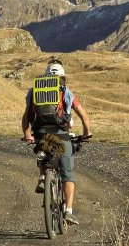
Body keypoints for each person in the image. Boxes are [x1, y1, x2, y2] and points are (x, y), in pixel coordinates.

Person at [22, 58, 91, 225]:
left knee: (43, 154)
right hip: (61, 134)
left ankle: (42, 178)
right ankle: (68, 211)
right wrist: (87, 132)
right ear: (63, 76)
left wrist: (28, 134)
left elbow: (26, 117)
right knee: (67, 174)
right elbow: (83, 115)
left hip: (40, 133)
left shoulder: (34, 91)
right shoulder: (66, 91)